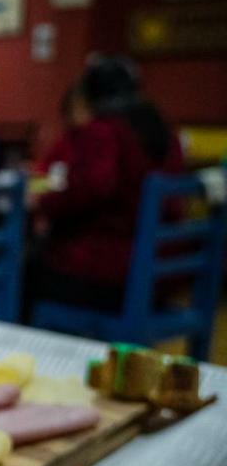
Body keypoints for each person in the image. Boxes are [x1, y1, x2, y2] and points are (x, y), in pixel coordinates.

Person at [25, 55, 183, 315]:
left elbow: (91, 188)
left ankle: (23, 351)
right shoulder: (163, 129)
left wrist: (43, 203)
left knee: (23, 269)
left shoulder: (106, 130)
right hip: (164, 269)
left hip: (116, 272)